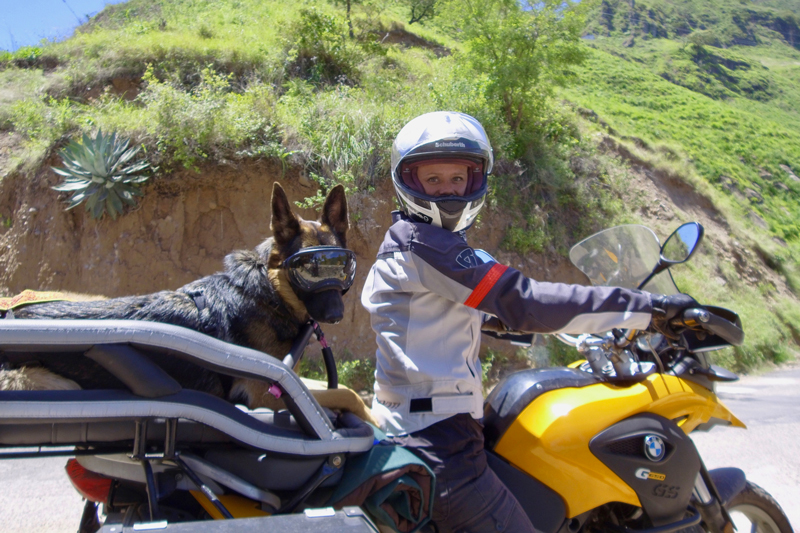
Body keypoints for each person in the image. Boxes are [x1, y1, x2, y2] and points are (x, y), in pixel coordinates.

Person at [360, 111, 696, 532]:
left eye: (457, 179)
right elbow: (525, 301)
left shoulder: (416, 244)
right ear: (409, 182)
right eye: (433, 180)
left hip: (428, 429)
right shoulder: (425, 244)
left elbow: (446, 313)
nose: (447, 190)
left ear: (475, 181)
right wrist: (650, 309)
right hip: (438, 445)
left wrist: (500, 322)